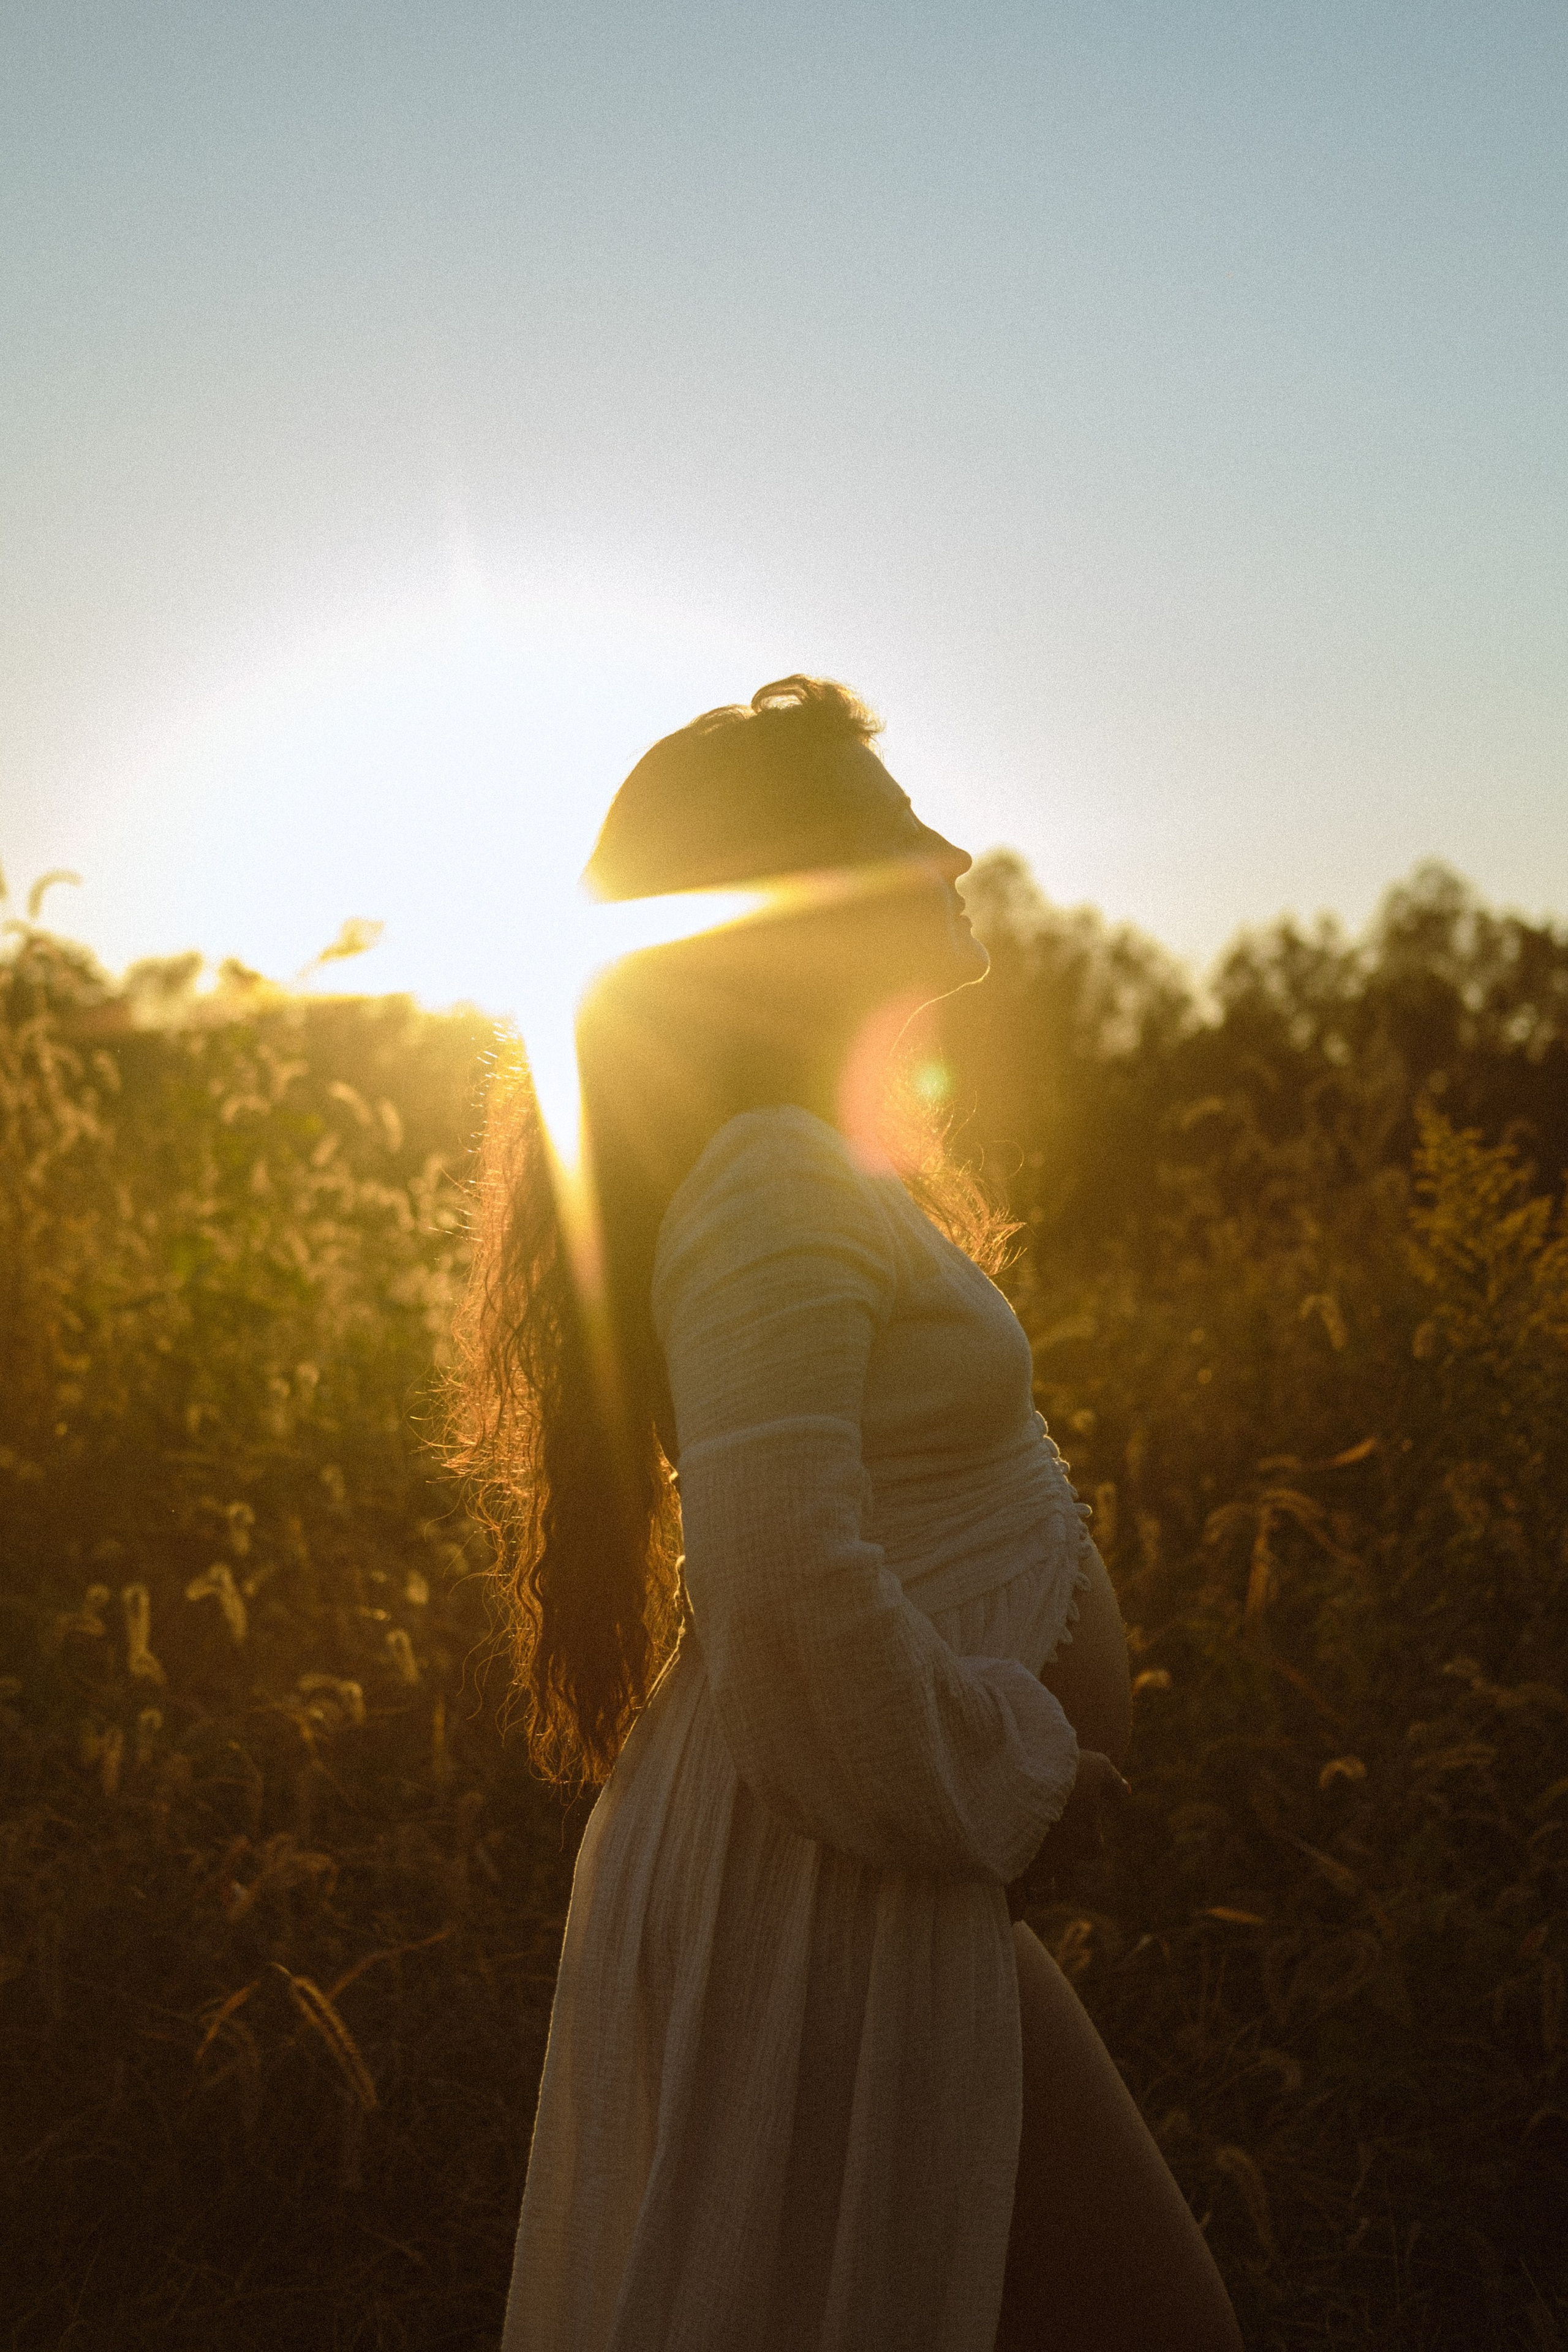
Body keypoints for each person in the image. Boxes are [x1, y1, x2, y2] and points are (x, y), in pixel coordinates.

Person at [453, 677, 1243, 2351]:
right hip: (831, 1866)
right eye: (895, 831)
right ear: (792, 894)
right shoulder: (770, 1183)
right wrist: (1025, 1775)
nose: (951, 848)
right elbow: (786, 1599)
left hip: (854, 1862)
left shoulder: (797, 1165)